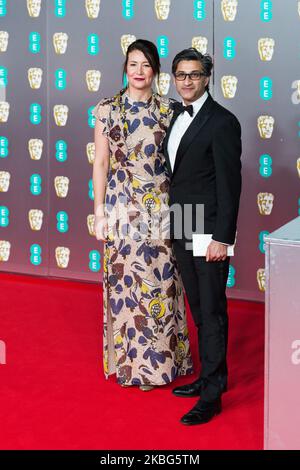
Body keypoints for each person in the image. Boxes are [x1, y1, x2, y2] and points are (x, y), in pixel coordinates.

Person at [92, 39, 193, 392]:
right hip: (121, 207)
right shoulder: (107, 109)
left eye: (146, 65)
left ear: (155, 71)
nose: (138, 72)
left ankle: (164, 362)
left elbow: (182, 163)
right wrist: (99, 211)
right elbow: (101, 163)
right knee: (126, 286)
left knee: (161, 283)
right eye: (133, 64)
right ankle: (132, 365)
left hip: (161, 208)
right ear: (125, 67)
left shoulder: (169, 111)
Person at [163, 48, 242, 423]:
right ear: (174, 78)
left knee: (212, 312)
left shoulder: (222, 122)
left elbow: (230, 185)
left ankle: (212, 393)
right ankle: (212, 376)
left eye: (194, 74)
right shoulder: (176, 115)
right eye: (181, 74)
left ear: (207, 77)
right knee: (198, 308)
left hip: (208, 230)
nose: (187, 81)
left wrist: (222, 239)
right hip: (182, 223)